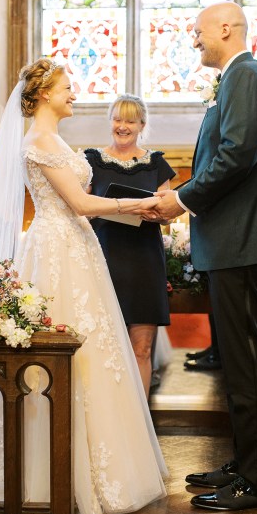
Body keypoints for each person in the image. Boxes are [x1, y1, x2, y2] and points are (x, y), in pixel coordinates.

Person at [0, 58, 167, 514]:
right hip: (56, 254)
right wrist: (139, 206)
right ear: (43, 96)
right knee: (60, 353)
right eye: (66, 88)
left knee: (99, 355)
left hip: (79, 249)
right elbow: (77, 202)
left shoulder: (57, 139)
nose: (73, 94)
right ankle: (46, 466)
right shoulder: (37, 142)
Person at [149, 2, 257, 511]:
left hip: (243, 238)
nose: (195, 40)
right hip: (232, 237)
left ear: (226, 29)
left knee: (248, 362)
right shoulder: (236, 78)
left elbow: (236, 156)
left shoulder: (246, 77)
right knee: (235, 360)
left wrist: (181, 199)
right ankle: (246, 461)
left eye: (198, 31)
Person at [85, 94, 176, 398]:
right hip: (104, 258)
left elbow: (168, 216)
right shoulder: (90, 161)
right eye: (117, 118)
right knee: (103, 348)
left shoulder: (156, 164)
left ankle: (140, 426)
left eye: (130, 120)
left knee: (142, 348)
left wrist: (155, 214)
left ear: (141, 125)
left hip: (144, 261)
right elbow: (79, 208)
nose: (122, 126)